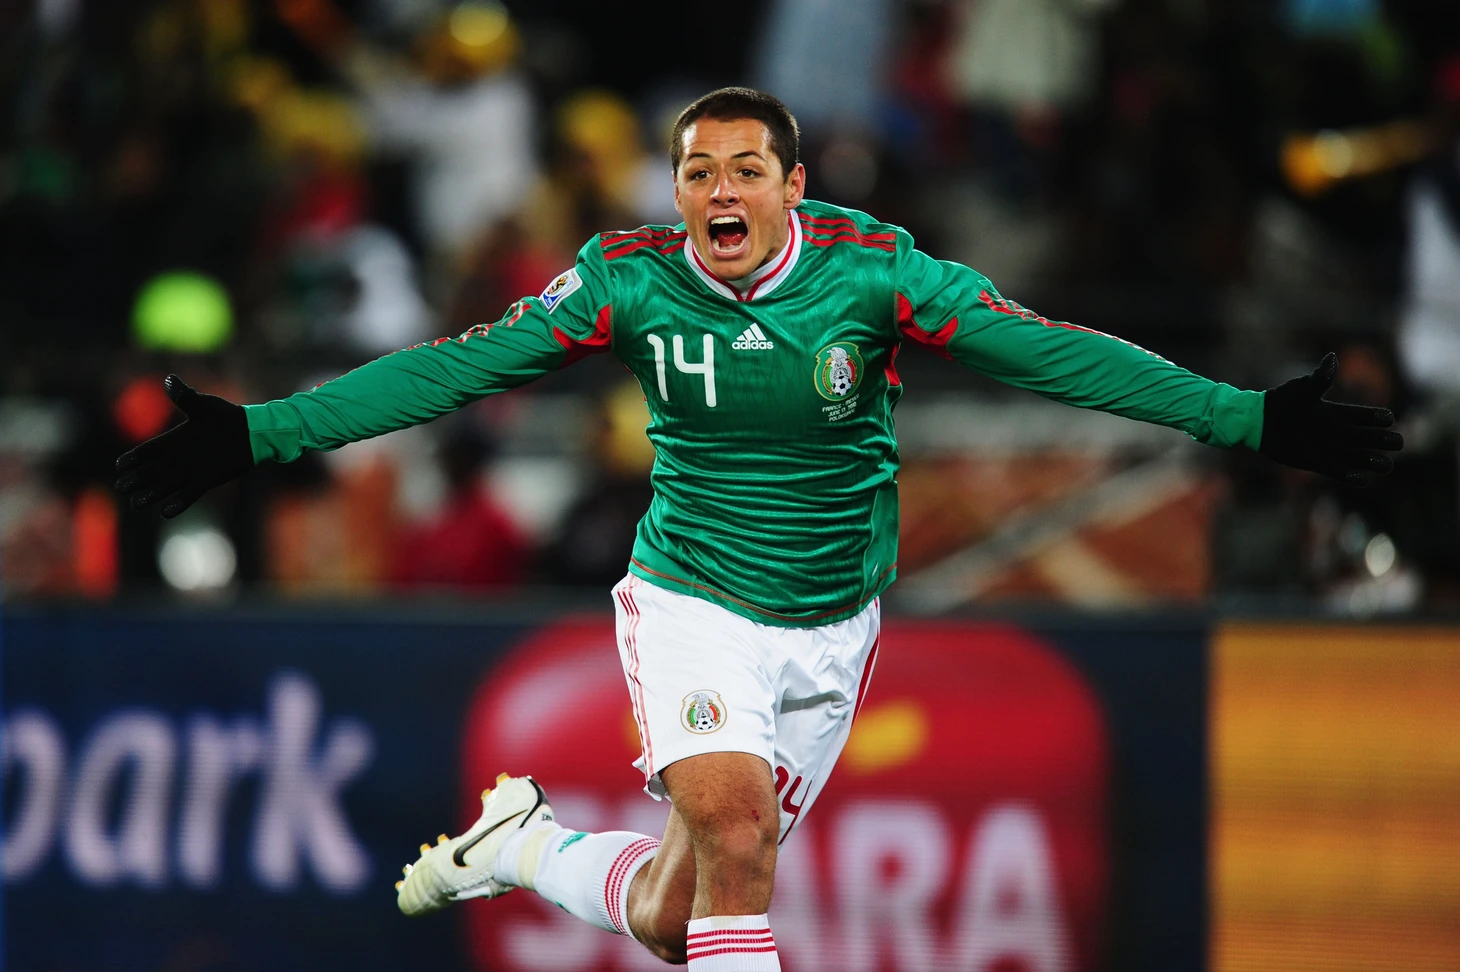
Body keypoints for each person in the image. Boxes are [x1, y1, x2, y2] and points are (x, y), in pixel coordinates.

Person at [115, 87, 1401, 970]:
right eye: (696, 172)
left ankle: (527, 847)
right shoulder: (626, 281)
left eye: (744, 171)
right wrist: (261, 433)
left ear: (791, 187)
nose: (717, 192)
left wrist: (1239, 417)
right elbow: (449, 369)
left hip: (831, 627)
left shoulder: (873, 275)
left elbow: (1051, 352)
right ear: (675, 192)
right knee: (739, 835)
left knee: (680, 917)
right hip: (691, 599)